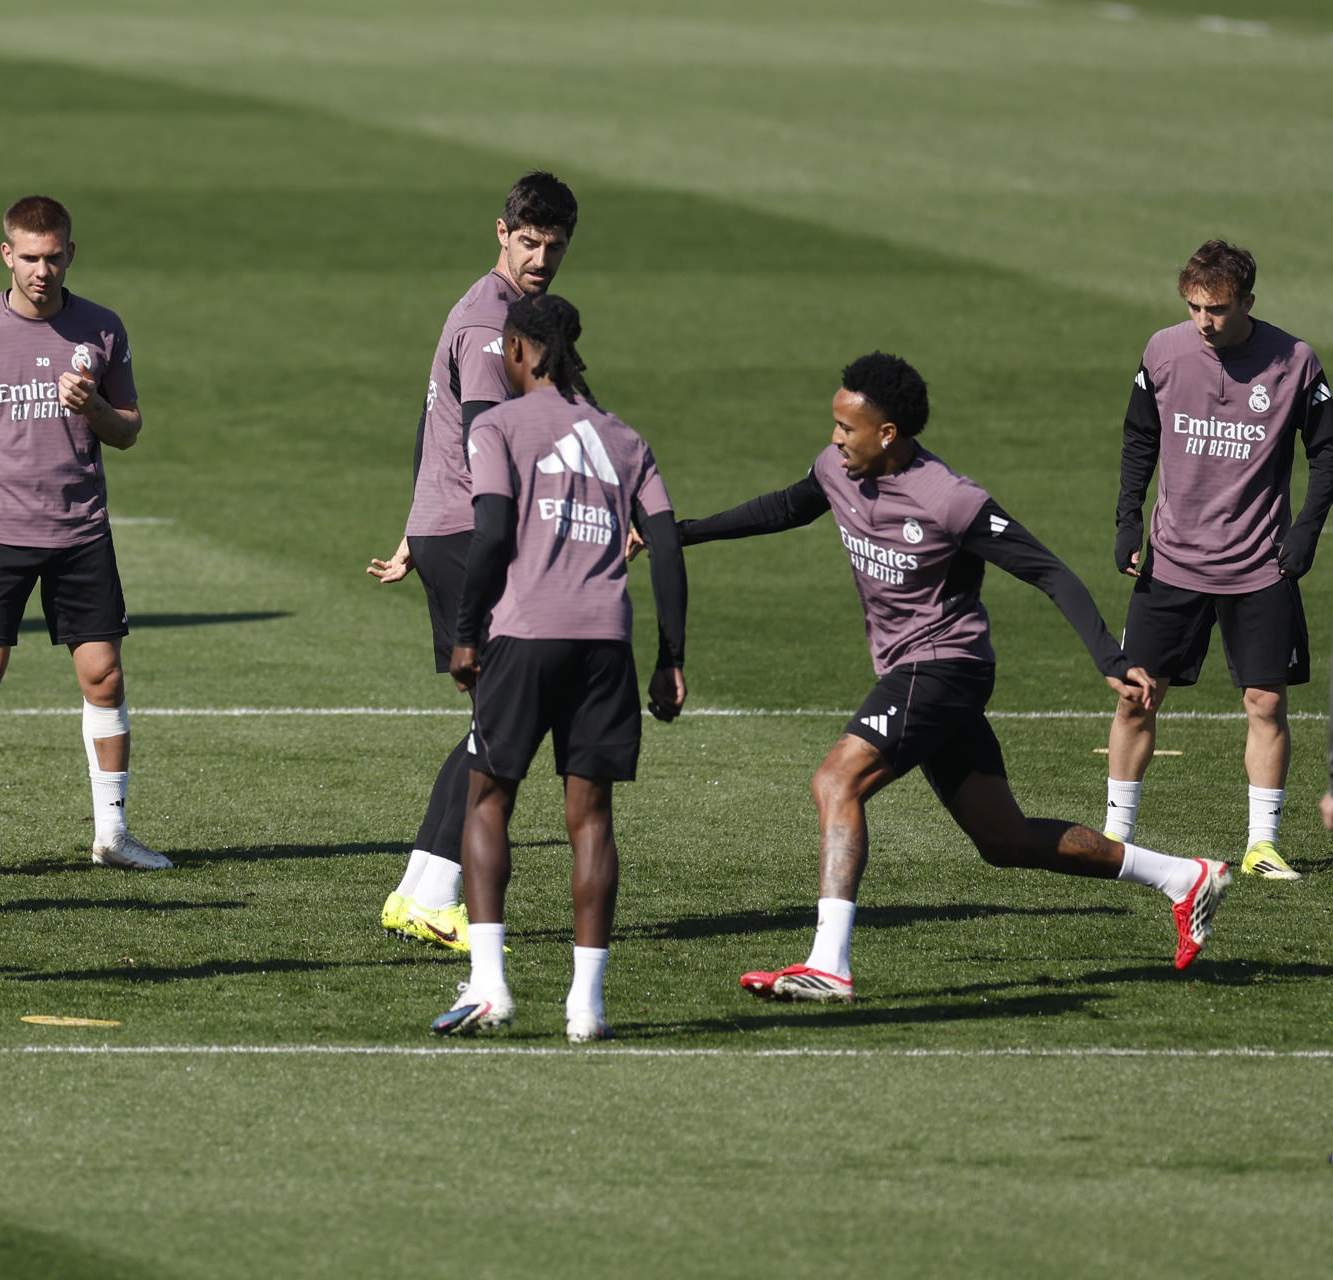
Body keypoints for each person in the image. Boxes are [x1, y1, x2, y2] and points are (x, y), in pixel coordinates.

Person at [674, 352, 1229, 1003]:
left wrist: (1109, 656)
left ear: (888, 434)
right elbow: (784, 507)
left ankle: (829, 963)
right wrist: (680, 534)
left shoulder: (950, 499)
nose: (834, 438)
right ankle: (1183, 877)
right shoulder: (837, 468)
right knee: (1004, 838)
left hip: (942, 667)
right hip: (919, 674)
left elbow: (1046, 570)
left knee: (835, 780)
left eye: (847, 427)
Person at [430, 294, 686, 1043]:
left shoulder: (500, 426)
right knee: (592, 820)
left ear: (516, 352)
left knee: (486, 801)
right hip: (607, 641)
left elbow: (489, 532)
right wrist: (671, 656)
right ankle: (587, 1007)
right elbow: (665, 546)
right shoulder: (625, 437)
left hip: (526, 634)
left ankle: (490, 987)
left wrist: (467, 633)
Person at [0, 195, 170, 871]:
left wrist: (97, 411)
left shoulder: (102, 330)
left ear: (70, 255)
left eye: (54, 257)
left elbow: (131, 432)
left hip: (81, 531)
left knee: (103, 676)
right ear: (6, 255)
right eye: (29, 257)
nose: (42, 270)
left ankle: (112, 835)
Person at [367, 171, 577, 951]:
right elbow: (486, 439)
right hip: (474, 531)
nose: (542, 259)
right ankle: (434, 890)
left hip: (448, 526)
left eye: (555, 246)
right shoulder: (492, 325)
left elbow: (437, 426)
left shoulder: (501, 312)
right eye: (529, 242)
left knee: (499, 716)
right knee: (509, 716)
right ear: (502, 231)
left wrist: (412, 528)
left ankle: (420, 891)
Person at [1105, 240, 1333, 882]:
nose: (1203, 320)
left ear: (1248, 302)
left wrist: (1306, 533)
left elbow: (1328, 452)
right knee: (1136, 700)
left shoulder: (1296, 361)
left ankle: (1262, 845)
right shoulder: (1163, 351)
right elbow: (1139, 437)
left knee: (1265, 703)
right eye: (1194, 306)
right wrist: (1127, 519)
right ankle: (1116, 839)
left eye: (1218, 308)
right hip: (1172, 563)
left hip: (1259, 568)